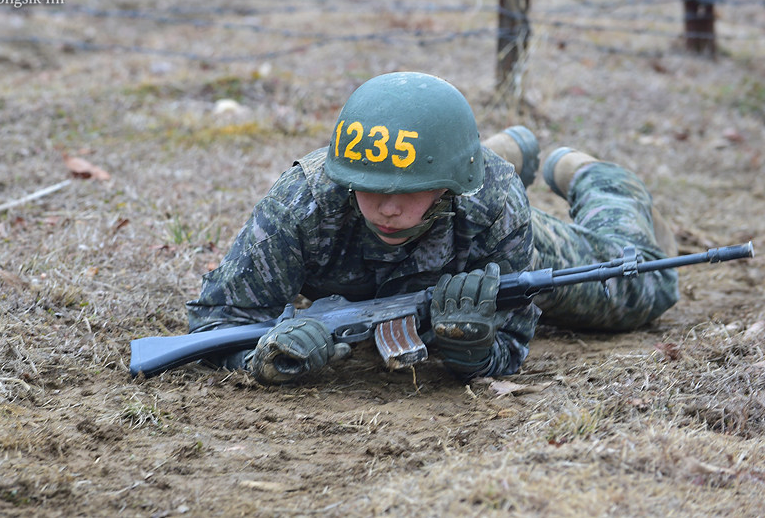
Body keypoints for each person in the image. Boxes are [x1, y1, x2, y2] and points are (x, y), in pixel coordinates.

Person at [186, 72, 679, 385]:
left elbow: (512, 341)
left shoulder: (492, 203)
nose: (387, 208)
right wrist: (262, 361)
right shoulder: (303, 202)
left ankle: (598, 178)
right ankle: (469, 152)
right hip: (453, 191)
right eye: (369, 187)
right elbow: (218, 322)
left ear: (448, 185)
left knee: (642, 289)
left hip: (473, 234)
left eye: (409, 189)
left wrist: (474, 353)